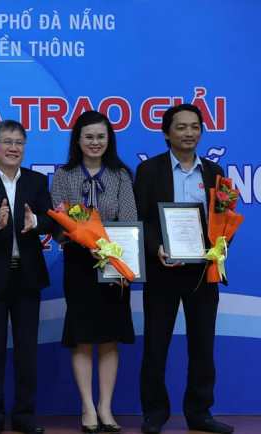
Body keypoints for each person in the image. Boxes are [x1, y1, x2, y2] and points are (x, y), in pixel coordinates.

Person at [135, 104, 233, 434]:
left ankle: (200, 413)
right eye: (181, 127)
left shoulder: (214, 171)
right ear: (166, 133)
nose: (189, 133)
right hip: (163, 268)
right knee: (156, 344)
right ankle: (154, 413)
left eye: (194, 127)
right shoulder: (149, 171)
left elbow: (225, 220)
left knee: (203, 345)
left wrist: (219, 246)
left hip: (202, 273)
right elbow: (141, 218)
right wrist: (156, 248)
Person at [0, 120, 57, 434]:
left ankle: (24, 414)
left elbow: (53, 221)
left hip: (27, 276)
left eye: (19, 142)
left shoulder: (36, 181)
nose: (13, 148)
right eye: (7, 141)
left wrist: (36, 223)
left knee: (27, 351)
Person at [50, 110, 136, 433]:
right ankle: (87, 406)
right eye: (89, 136)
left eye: (101, 136)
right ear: (78, 140)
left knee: (110, 338)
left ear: (109, 139)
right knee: (83, 338)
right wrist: (82, 239)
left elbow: (129, 219)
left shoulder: (121, 175)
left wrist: (106, 245)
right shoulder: (63, 175)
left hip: (114, 264)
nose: (95, 142)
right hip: (78, 265)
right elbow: (58, 223)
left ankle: (105, 407)